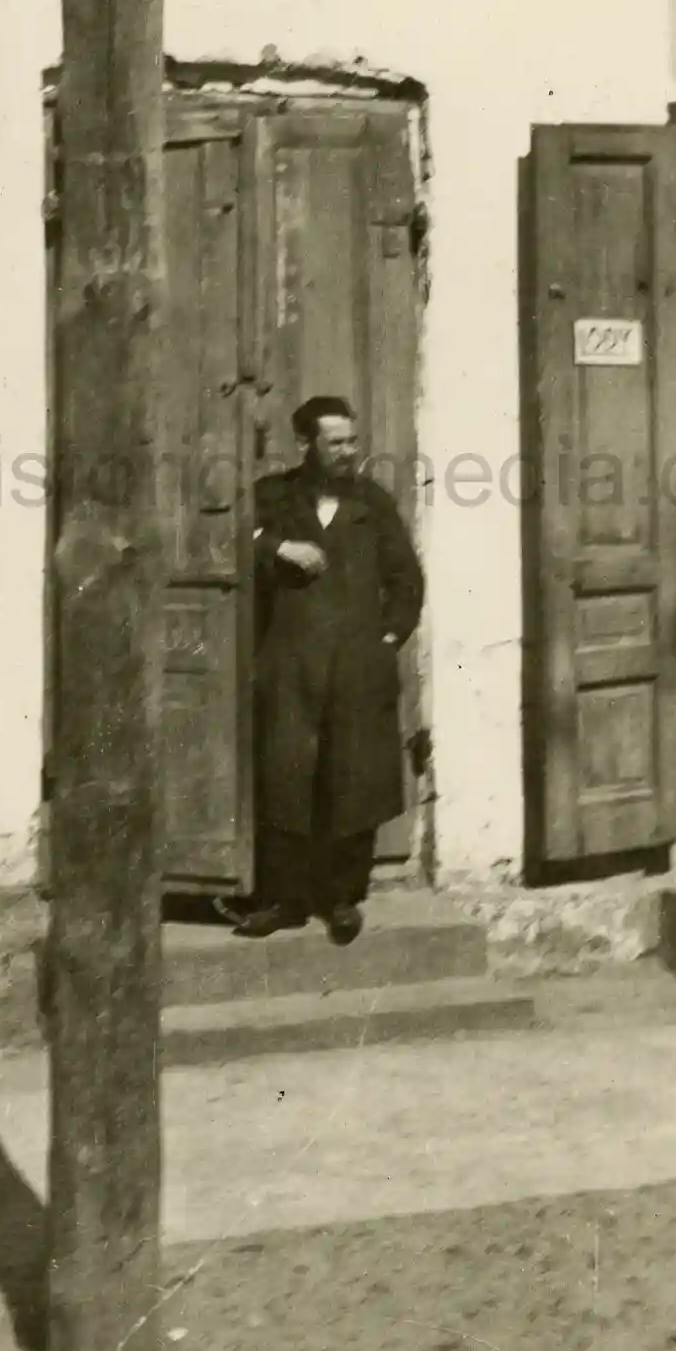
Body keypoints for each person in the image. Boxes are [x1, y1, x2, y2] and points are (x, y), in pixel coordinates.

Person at [232, 395, 421, 942]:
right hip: (290, 663)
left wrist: (386, 639)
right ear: (306, 445)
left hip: (358, 664)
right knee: (286, 778)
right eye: (335, 443)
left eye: (351, 441)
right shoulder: (273, 497)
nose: (347, 453)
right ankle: (285, 900)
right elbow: (231, 540)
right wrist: (279, 548)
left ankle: (342, 899)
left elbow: (407, 579)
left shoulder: (374, 503)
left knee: (353, 779)